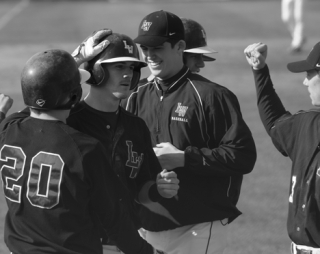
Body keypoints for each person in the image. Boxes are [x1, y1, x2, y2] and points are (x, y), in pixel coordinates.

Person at [123, 10, 257, 254]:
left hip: (197, 227)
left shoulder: (212, 96)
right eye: (145, 49)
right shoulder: (133, 97)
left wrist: (184, 158)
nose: (150, 55)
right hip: (145, 226)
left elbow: (243, 155)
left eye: (158, 48)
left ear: (179, 46)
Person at [0, 49, 158, 254]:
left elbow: (32, 105)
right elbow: (113, 218)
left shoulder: (9, 130)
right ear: (75, 94)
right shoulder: (84, 148)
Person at [69, 31, 180, 254]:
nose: (128, 74)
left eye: (132, 68)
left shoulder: (136, 127)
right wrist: (74, 62)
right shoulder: (69, 120)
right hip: (77, 243)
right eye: (119, 67)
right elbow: (34, 111)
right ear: (96, 71)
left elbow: (141, 190)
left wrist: (159, 188)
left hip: (122, 243)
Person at [244, 41, 320, 253]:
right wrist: (259, 71)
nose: (305, 82)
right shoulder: (306, 124)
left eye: (310, 73)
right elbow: (275, 120)